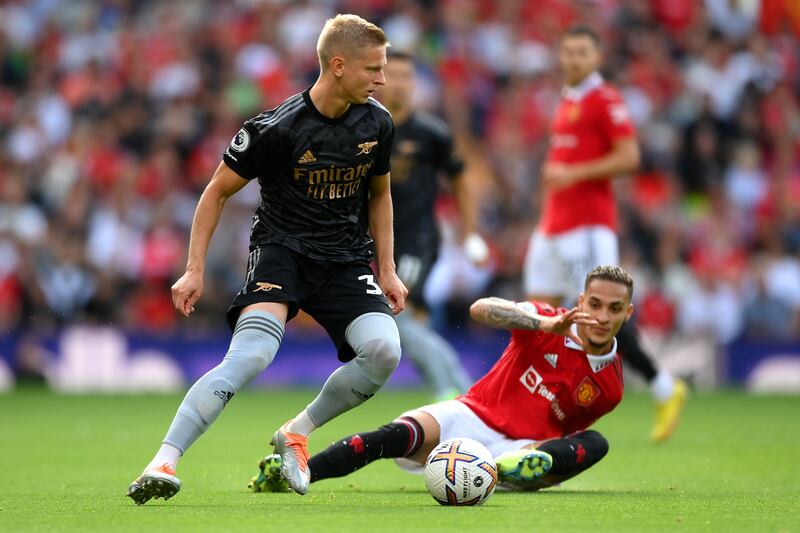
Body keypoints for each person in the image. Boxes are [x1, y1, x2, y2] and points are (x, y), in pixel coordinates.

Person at [127, 14, 407, 504]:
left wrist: (387, 268)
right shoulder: (276, 128)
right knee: (252, 356)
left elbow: (380, 195)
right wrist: (194, 268)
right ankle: (164, 459)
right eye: (373, 69)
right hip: (282, 253)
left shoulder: (377, 122)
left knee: (385, 352)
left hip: (345, 260)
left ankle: (295, 433)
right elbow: (214, 193)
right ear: (338, 66)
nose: (382, 79)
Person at [250, 265, 633, 493]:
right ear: (581, 302)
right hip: (471, 413)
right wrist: (543, 323)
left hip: (523, 445)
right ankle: (297, 473)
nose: (601, 317)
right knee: (392, 436)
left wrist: (546, 470)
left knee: (597, 442)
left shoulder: (610, 387)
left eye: (613, 309)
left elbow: (569, 440)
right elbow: (481, 309)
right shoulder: (549, 320)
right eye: (595, 304)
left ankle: (517, 468)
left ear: (627, 313)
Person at [522, 25, 686, 443]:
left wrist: (572, 173)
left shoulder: (605, 98)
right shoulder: (567, 100)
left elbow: (631, 157)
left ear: (596, 58)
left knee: (601, 313)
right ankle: (530, 400)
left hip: (589, 226)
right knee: (538, 310)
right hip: (554, 225)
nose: (573, 59)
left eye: (582, 52)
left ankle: (664, 386)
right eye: (568, 51)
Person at [378, 50, 487, 400]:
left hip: (417, 240)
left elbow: (460, 181)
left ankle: (455, 392)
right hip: (378, 243)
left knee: (396, 316)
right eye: (392, 75)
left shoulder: (431, 134)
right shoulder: (366, 128)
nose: (399, 83)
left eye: (406, 77)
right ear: (379, 80)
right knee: (412, 328)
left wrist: (470, 233)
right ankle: (466, 398)